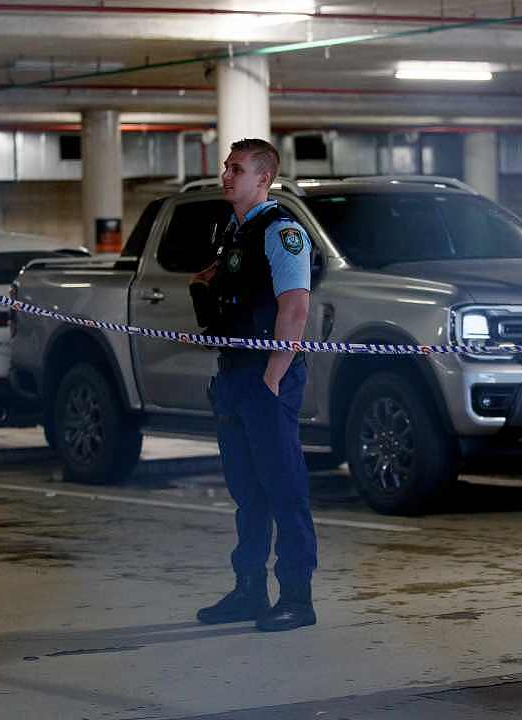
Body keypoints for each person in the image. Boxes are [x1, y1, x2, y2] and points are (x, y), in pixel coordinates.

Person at [189, 138, 317, 633]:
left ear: (263, 178)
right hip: (235, 374)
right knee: (247, 490)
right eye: (226, 167)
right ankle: (249, 590)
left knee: (284, 488)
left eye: (237, 169)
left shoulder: (282, 232)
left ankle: (297, 598)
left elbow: (296, 307)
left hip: (267, 376)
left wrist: (273, 377)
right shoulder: (232, 233)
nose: (227, 175)